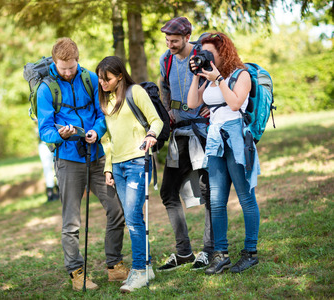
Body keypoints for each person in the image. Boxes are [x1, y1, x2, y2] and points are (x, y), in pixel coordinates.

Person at [36, 38, 128, 291]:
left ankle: (114, 266)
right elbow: (44, 130)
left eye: (71, 66)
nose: (67, 72)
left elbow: (101, 113)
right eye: (63, 67)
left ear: (78, 59)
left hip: (96, 156)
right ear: (55, 62)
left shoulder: (89, 78)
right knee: (71, 222)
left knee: (116, 209)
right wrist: (61, 135)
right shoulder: (45, 89)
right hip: (68, 160)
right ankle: (77, 273)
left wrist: (97, 132)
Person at [187, 32, 261, 274]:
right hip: (215, 139)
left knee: (245, 197)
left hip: (236, 139)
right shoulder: (208, 77)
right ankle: (221, 255)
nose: (205, 56)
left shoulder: (241, 75)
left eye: (210, 52)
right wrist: (196, 76)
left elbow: (235, 104)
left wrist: (218, 78)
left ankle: (250, 253)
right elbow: (192, 104)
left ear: (224, 52)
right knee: (216, 202)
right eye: (203, 52)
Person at [96, 56, 163, 293]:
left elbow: (156, 120)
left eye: (108, 79)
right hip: (118, 167)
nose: (103, 83)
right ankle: (148, 265)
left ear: (120, 76)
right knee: (132, 218)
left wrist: (151, 135)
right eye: (100, 79)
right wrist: (108, 168)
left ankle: (139, 271)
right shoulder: (107, 100)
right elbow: (109, 140)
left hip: (137, 161)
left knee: (133, 219)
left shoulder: (135, 92)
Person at [157, 17, 214, 272]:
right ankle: (184, 252)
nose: (170, 45)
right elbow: (163, 85)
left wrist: (215, 108)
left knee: (210, 191)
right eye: (167, 40)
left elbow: (222, 79)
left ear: (187, 36)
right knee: (168, 191)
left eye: (175, 41)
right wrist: (167, 109)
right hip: (179, 133)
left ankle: (210, 250)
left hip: (203, 132)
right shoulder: (166, 59)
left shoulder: (203, 55)